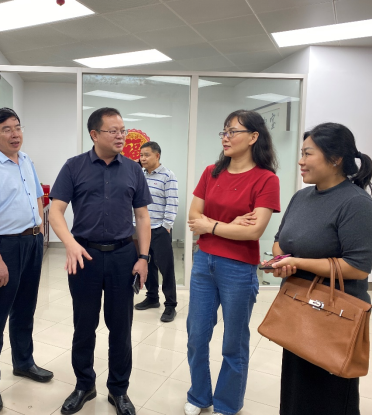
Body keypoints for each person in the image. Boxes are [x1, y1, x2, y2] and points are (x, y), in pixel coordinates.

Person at [263, 123, 372, 416]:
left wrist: (298, 263)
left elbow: (357, 267)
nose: (300, 161)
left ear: (336, 158)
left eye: (308, 153)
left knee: (328, 397)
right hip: (298, 309)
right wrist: (282, 261)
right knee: (296, 393)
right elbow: (280, 241)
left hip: (333, 316)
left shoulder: (356, 203)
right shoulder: (301, 197)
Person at [49, 107, 153, 416]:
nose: (121, 136)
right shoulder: (74, 167)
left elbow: (142, 217)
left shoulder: (133, 169)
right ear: (94, 134)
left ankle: (118, 390)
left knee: (120, 327)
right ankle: (85, 385)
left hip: (123, 256)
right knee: (84, 325)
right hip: (85, 256)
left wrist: (144, 258)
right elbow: (56, 212)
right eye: (113, 131)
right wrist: (70, 244)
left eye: (123, 130)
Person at [185, 110, 281, 416]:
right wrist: (229, 225)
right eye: (223, 132)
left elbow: (253, 230)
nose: (225, 138)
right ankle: (199, 396)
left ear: (253, 137)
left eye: (232, 132)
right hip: (204, 263)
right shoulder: (211, 172)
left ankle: (227, 404)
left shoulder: (266, 179)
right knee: (196, 335)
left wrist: (211, 226)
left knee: (234, 341)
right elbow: (193, 218)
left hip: (239, 268)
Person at [0, 108, 53, 414]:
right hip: (3, 245)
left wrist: (39, 231)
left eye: (17, 127)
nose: (15, 134)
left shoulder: (26, 160)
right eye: (7, 129)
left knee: (25, 309)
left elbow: (39, 197)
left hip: (31, 242)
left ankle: (23, 362)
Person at [134, 141, 179, 323]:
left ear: (157, 155)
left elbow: (172, 202)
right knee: (147, 264)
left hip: (159, 229)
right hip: (141, 230)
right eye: (141, 155)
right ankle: (152, 297)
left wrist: (166, 226)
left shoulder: (168, 176)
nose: (142, 158)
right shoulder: (140, 175)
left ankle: (171, 305)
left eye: (146, 155)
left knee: (165, 268)